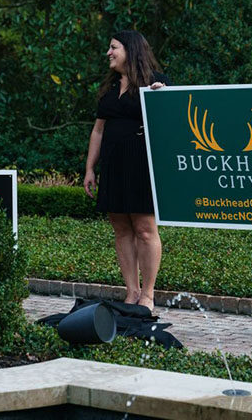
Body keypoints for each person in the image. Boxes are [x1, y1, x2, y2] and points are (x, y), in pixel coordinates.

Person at [83, 30, 169, 312]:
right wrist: (89, 168)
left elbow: (173, 119)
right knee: (121, 229)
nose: (108, 53)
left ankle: (148, 294)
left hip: (142, 166)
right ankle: (131, 292)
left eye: (113, 47)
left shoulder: (157, 82)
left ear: (131, 50)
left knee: (145, 229)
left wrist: (164, 100)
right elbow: (98, 130)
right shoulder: (109, 89)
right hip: (113, 165)